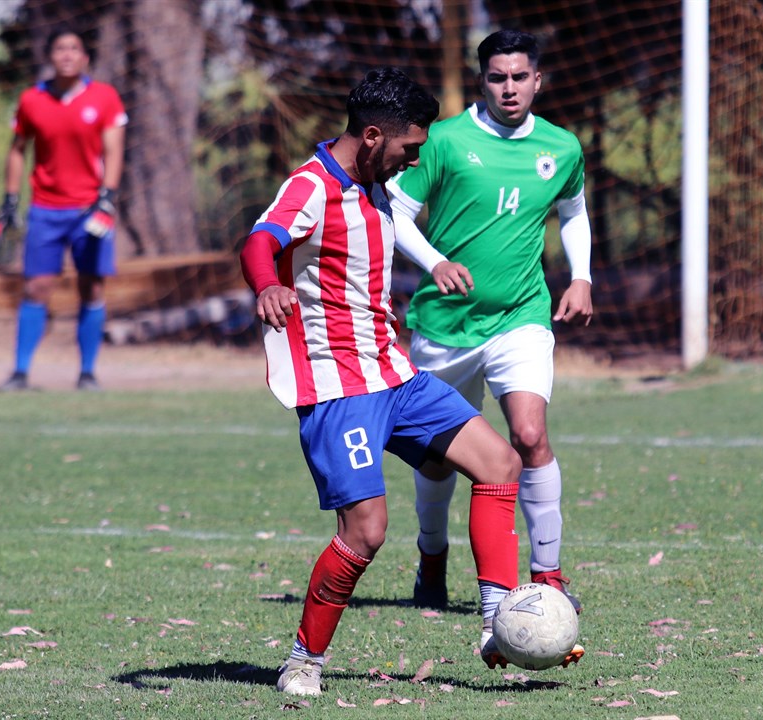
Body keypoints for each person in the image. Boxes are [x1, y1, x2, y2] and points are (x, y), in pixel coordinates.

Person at [240, 67, 582, 697]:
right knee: (366, 531)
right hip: (339, 387)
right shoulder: (312, 186)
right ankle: (304, 659)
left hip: (394, 374)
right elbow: (261, 240)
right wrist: (268, 284)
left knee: (501, 462)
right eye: (410, 147)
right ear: (372, 136)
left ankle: (496, 623)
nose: (415, 158)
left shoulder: (375, 185)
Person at [388, 29, 594, 613]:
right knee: (435, 456)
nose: (509, 88)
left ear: (538, 80)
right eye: (497, 78)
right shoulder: (446, 141)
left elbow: (574, 213)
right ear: (483, 81)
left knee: (529, 436)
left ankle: (548, 577)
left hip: (520, 315)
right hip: (444, 325)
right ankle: (433, 557)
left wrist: (581, 277)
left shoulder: (562, 147)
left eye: (519, 77)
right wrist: (436, 261)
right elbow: (397, 214)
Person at [0, 27, 127, 392]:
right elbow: (17, 149)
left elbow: (114, 149)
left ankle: (87, 372)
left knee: (92, 287)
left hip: (90, 210)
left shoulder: (104, 98)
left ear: (84, 57)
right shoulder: (32, 100)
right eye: (59, 48)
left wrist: (108, 195)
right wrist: (10, 197)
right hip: (45, 210)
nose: (67, 54)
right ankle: (20, 372)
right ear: (50, 56)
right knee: (37, 287)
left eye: (74, 48)